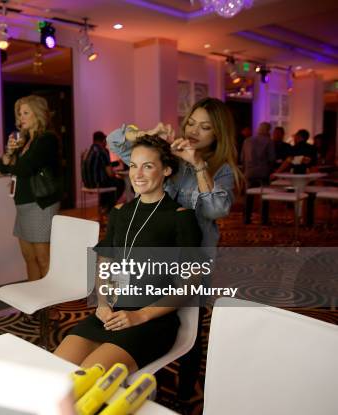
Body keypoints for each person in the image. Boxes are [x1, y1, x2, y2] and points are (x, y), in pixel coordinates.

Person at [107, 97, 243, 400]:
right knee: (148, 314)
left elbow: (216, 209)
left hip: (192, 258)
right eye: (191, 122)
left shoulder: (220, 170)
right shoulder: (170, 155)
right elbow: (114, 141)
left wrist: (197, 165)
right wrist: (144, 133)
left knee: (189, 325)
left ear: (218, 134)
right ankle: (145, 373)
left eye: (205, 127)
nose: (194, 130)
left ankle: (184, 393)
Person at [54, 135, 202, 371]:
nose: (137, 174)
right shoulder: (120, 212)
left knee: (85, 381)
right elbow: (105, 264)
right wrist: (102, 304)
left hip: (152, 321)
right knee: (53, 369)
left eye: (148, 166)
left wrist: (141, 315)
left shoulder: (181, 217)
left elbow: (191, 283)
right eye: (133, 165)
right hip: (112, 312)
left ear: (166, 170)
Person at [2, 95, 62, 281]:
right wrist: (10, 152)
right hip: (23, 205)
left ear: (38, 115)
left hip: (40, 205)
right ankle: (36, 307)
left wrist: (13, 158)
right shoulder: (26, 142)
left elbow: (24, 168)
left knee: (43, 259)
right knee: (29, 258)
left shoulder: (46, 139)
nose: (21, 118)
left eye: (26, 113)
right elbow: (5, 166)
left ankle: (51, 307)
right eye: (20, 114)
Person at [82, 131, 125, 214]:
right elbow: (110, 174)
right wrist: (116, 174)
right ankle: (108, 209)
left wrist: (115, 165)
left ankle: (103, 206)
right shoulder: (102, 151)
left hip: (87, 184)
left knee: (108, 181)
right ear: (103, 140)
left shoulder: (88, 151)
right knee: (120, 183)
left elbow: (100, 166)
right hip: (97, 184)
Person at [241, 122, 275, 224]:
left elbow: (242, 158)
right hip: (263, 173)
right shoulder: (269, 142)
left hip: (249, 172)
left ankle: (246, 218)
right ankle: (264, 219)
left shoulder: (247, 141)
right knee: (265, 196)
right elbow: (272, 159)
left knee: (248, 196)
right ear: (268, 130)